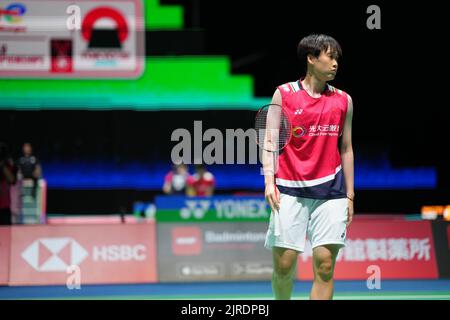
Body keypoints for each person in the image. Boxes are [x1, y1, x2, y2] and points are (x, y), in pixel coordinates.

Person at [263, 34, 354, 300]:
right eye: (330, 57)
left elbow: (346, 148)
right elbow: (269, 141)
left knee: (325, 267)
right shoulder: (284, 94)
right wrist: (269, 180)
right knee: (284, 266)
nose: (335, 63)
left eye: (337, 58)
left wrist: (350, 194)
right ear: (311, 59)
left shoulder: (343, 101)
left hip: (331, 192)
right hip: (289, 190)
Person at [0, 142, 17, 225]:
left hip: (4, 208)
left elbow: (12, 180)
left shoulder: (9, 166)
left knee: (6, 235)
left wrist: (2, 166)